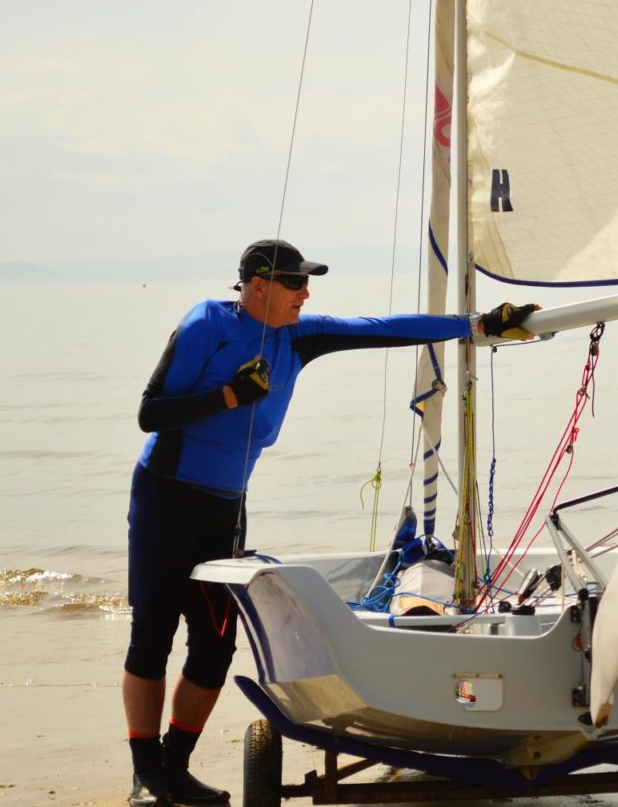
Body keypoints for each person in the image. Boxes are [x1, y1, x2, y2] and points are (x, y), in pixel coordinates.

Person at [122, 238, 535, 806]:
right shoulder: (206, 324)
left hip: (225, 504)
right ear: (258, 285)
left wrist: (476, 324)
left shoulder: (300, 336)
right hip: (165, 497)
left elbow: (381, 328)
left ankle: (175, 766)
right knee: (153, 634)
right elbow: (151, 413)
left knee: (216, 643)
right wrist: (228, 394)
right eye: (295, 283)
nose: (306, 293)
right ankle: (147, 775)